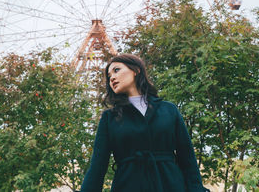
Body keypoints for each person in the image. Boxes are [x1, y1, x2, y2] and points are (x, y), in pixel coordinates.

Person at [80, 54, 209, 192]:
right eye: (109, 76)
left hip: (170, 183)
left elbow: (187, 158)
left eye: (116, 70)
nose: (111, 77)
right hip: (128, 185)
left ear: (136, 70)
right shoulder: (109, 117)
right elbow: (98, 166)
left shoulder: (168, 110)